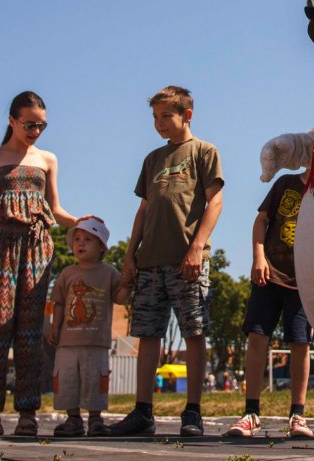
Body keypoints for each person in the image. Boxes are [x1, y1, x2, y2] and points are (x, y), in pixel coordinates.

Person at [111, 86, 224, 438]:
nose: (159, 123)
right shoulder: (152, 159)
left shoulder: (204, 152)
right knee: (147, 335)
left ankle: (192, 412)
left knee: (194, 332)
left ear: (186, 115)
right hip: (149, 262)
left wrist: (197, 247)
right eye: (155, 117)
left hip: (186, 262)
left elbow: (215, 203)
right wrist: (130, 254)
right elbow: (143, 210)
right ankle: (142, 411)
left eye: (166, 116)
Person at [0, 91, 77, 437]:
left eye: (42, 125)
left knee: (30, 331)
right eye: (29, 124)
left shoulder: (48, 159)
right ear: (12, 121)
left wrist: (82, 222)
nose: (36, 131)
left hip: (36, 246)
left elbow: (55, 210)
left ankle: (28, 412)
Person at [226, 170, 314, 439]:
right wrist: (258, 257)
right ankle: (251, 413)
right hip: (269, 274)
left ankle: (297, 414)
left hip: (303, 280)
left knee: (300, 343)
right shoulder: (286, 183)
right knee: (257, 337)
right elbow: (261, 220)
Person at [47, 216, 122, 437]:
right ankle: (73, 419)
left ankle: (96, 420)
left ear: (101, 247)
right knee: (68, 379)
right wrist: (54, 327)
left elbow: (120, 297)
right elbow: (59, 303)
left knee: (94, 380)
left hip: (96, 341)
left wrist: (128, 282)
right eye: (77, 239)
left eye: (88, 239)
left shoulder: (109, 273)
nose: (80, 243)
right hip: (67, 341)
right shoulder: (67, 273)